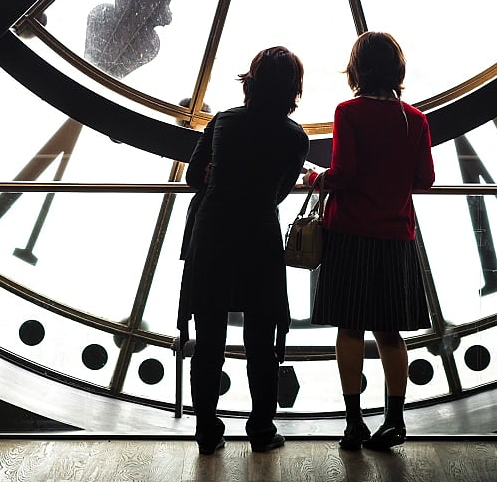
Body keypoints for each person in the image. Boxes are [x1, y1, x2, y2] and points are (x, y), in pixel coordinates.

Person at [177, 46, 310, 455]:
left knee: (209, 336)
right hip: (259, 236)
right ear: (292, 90)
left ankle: (206, 430)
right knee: (261, 340)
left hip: (213, 232)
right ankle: (261, 429)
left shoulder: (223, 122)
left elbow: (192, 179)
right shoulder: (294, 137)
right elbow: (280, 192)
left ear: (250, 82)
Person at [309, 31, 434, 451]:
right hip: (396, 234)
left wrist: (315, 179)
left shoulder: (348, 112)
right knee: (389, 332)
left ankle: (353, 422)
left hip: (350, 234)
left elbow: (341, 173)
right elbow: (424, 180)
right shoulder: (415, 120)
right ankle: (394, 419)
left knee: (350, 329)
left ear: (357, 70)